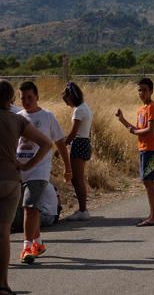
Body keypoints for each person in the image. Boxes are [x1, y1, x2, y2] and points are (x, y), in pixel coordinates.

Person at [1, 79, 53, 295]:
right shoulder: (18, 120)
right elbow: (47, 143)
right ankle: (3, 284)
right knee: (3, 232)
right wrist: (27, 165)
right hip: (12, 180)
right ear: (12, 99)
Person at [16, 81, 71, 265]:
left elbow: (60, 143)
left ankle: (26, 247)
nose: (27, 102)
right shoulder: (19, 117)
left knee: (29, 207)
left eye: (30, 98)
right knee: (32, 208)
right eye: (23, 98)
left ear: (37, 96)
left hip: (39, 170)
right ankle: (38, 243)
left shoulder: (47, 116)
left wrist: (67, 167)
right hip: (20, 170)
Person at [115, 78, 154, 227]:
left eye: (144, 90)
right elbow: (136, 129)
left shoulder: (152, 108)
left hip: (152, 148)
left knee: (149, 182)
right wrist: (122, 120)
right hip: (144, 148)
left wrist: (135, 132)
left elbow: (150, 130)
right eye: (139, 90)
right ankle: (152, 214)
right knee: (147, 181)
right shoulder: (141, 109)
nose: (141, 93)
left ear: (151, 91)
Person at [62, 82, 93, 221]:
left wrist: (62, 145)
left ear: (71, 97)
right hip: (84, 142)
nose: (66, 103)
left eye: (67, 99)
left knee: (77, 179)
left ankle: (83, 210)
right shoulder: (85, 107)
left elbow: (74, 132)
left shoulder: (78, 110)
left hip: (79, 143)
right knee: (78, 178)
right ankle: (82, 209)